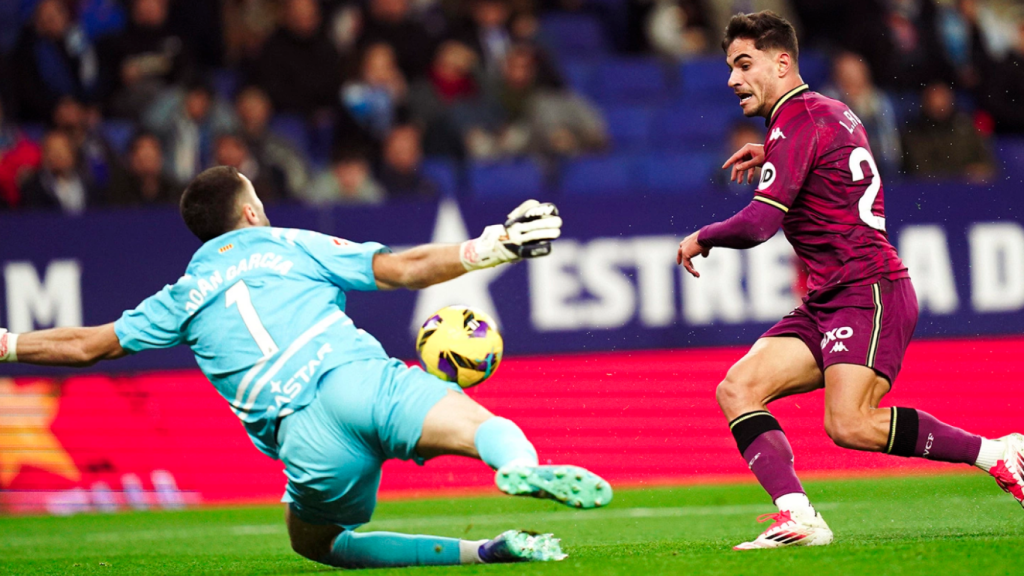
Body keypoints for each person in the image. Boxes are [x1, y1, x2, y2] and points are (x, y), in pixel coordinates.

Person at [0, 166, 611, 568]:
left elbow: (86, 346)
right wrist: (492, 246)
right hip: (357, 381)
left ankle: (483, 553)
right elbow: (401, 269)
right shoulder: (285, 243)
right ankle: (518, 466)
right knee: (477, 424)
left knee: (319, 545)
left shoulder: (180, 297)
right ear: (248, 215)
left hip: (304, 437)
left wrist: (7, 344)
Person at [675, 11, 1024, 550]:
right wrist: (775, 152)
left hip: (869, 288)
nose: (732, 79)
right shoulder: (826, 113)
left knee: (850, 424)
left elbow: (759, 225)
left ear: (782, 61)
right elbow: (829, 157)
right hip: (829, 297)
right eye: (730, 67)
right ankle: (798, 516)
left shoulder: (799, 121)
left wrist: (705, 234)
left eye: (744, 64)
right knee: (738, 388)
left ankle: (997, 453)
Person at [902, 82, 994, 182]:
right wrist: (963, 173)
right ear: (925, 102)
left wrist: (982, 169)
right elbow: (922, 170)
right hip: (933, 192)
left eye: (943, 97)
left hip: (970, 191)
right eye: (934, 98)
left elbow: (987, 162)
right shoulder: (915, 133)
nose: (940, 104)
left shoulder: (966, 127)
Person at [107, 132, 180, 206]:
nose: (146, 164)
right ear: (131, 159)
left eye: (150, 159)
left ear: (160, 158)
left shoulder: (174, 193)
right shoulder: (117, 193)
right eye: (142, 159)